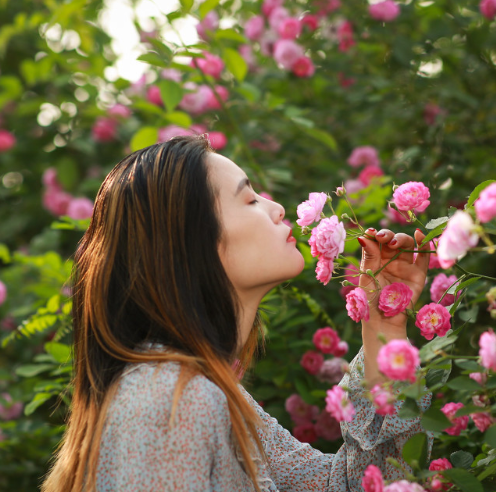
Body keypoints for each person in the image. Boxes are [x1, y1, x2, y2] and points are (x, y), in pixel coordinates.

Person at [40, 135, 432, 491]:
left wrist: (383, 327)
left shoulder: (207, 393)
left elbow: (352, 485)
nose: (278, 209)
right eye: (250, 200)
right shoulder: (169, 399)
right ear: (193, 243)